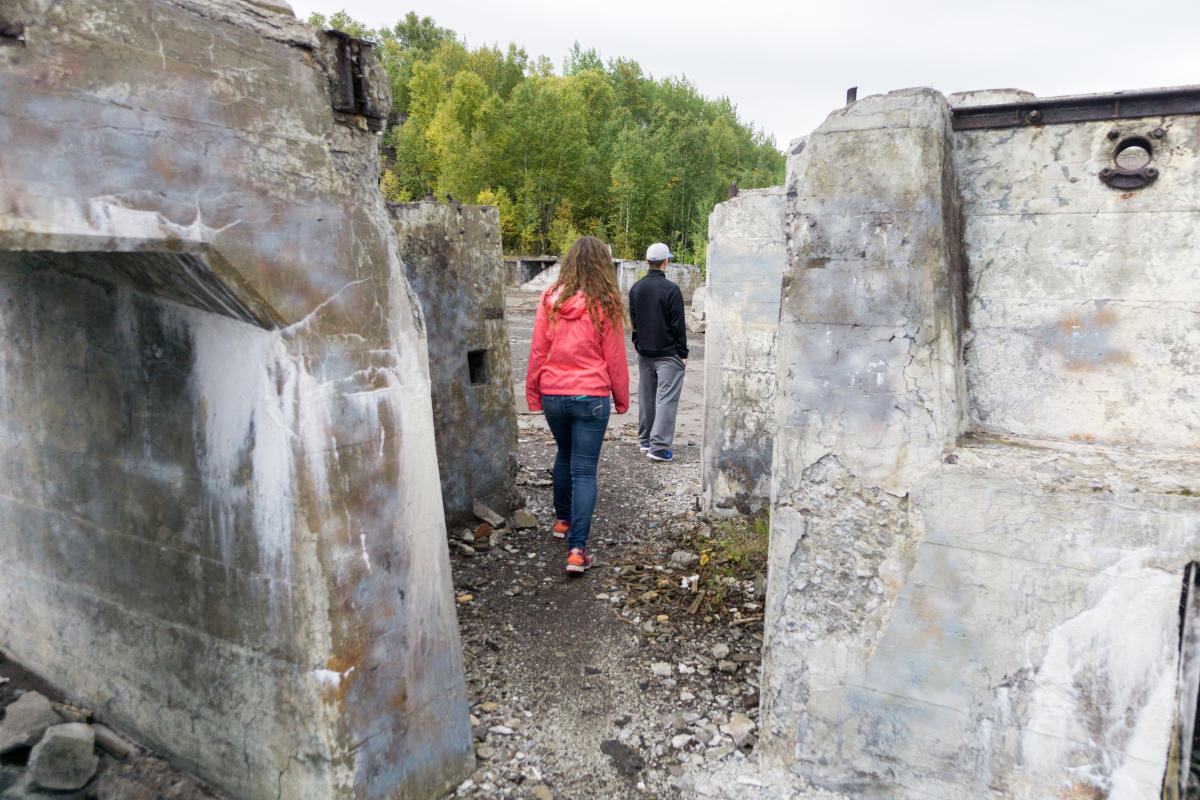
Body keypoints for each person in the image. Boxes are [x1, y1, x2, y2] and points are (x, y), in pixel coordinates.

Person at [526, 236, 630, 574]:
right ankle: (577, 551)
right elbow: (614, 357)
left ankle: (562, 521)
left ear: (569, 263)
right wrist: (621, 397)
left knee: (564, 455)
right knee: (584, 470)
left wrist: (533, 393)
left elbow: (538, 351)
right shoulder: (606, 301)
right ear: (602, 265)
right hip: (590, 397)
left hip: (554, 394)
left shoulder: (550, 299)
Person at [628, 242, 687, 462]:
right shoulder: (671, 289)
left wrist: (638, 343)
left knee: (646, 397)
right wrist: (682, 351)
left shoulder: (636, 288)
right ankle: (659, 448)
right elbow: (677, 324)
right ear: (666, 262)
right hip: (668, 353)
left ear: (647, 262)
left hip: (645, 352)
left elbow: (634, 321)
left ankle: (645, 440)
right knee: (666, 399)